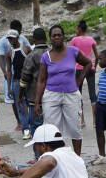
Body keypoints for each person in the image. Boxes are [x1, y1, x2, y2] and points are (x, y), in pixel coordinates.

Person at [34, 24, 91, 156]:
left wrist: (80, 79)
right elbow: (41, 80)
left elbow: (88, 63)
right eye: (54, 35)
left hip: (71, 95)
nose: (57, 37)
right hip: (51, 96)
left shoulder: (73, 51)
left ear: (63, 37)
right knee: (52, 130)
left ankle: (77, 159)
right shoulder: (46, 56)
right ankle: (56, 158)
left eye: (59, 35)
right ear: (50, 38)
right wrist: (37, 102)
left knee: (74, 128)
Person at [19, 27, 48, 163]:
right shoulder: (52, 53)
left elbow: (25, 77)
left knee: (36, 127)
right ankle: (50, 155)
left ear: (33, 40)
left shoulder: (32, 55)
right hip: (51, 96)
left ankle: (38, 157)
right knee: (49, 127)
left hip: (34, 97)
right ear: (46, 38)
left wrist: (19, 95)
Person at [0, 20, 30, 128]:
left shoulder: (24, 41)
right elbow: (1, 58)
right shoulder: (3, 42)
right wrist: (5, 73)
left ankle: (27, 123)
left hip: (25, 75)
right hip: (13, 76)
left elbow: (31, 55)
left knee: (26, 100)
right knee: (15, 100)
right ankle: (20, 122)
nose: (11, 40)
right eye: (10, 38)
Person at [69, 20, 98, 128]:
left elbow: (71, 55)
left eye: (76, 29)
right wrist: (95, 66)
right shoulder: (91, 39)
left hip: (79, 68)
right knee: (92, 93)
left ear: (79, 29)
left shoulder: (74, 40)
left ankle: (82, 120)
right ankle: (95, 120)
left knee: (78, 93)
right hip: (90, 67)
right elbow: (97, 56)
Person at [5, 29, 31, 139]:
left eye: (12, 38)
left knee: (31, 104)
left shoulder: (26, 49)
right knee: (20, 106)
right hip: (16, 81)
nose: (11, 40)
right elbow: (9, 71)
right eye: (9, 38)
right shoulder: (9, 53)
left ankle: (32, 126)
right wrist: (9, 87)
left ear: (17, 37)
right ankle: (26, 129)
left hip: (28, 81)